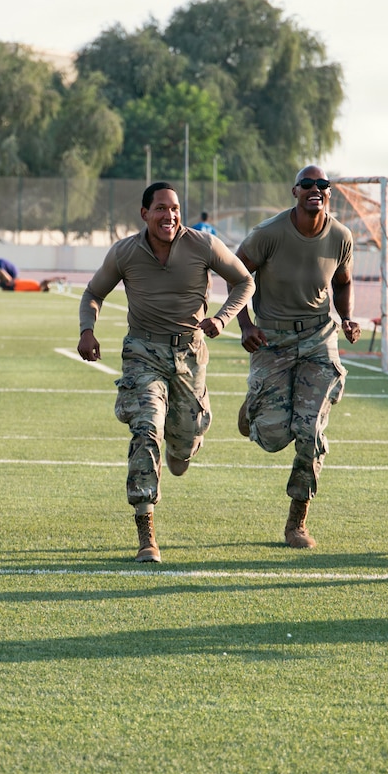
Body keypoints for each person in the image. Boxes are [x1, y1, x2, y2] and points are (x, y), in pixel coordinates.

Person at [79, 182, 253, 562]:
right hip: (142, 352)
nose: (169, 216)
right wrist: (87, 330)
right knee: (147, 427)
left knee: (183, 446)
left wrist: (223, 319)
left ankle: (185, 442)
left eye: (174, 209)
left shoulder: (204, 245)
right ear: (144, 214)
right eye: (160, 208)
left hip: (189, 354)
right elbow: (93, 293)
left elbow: (244, 281)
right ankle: (146, 532)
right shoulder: (125, 252)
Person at [235, 165, 361, 548]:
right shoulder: (268, 234)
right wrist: (244, 325)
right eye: (308, 184)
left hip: (319, 338)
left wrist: (348, 317)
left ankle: (297, 521)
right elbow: (237, 275)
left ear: (328, 194)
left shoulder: (340, 236)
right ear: (295, 191)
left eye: (323, 185)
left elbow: (344, 281)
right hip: (272, 339)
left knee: (310, 430)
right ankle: (254, 408)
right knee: (273, 436)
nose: (316, 190)